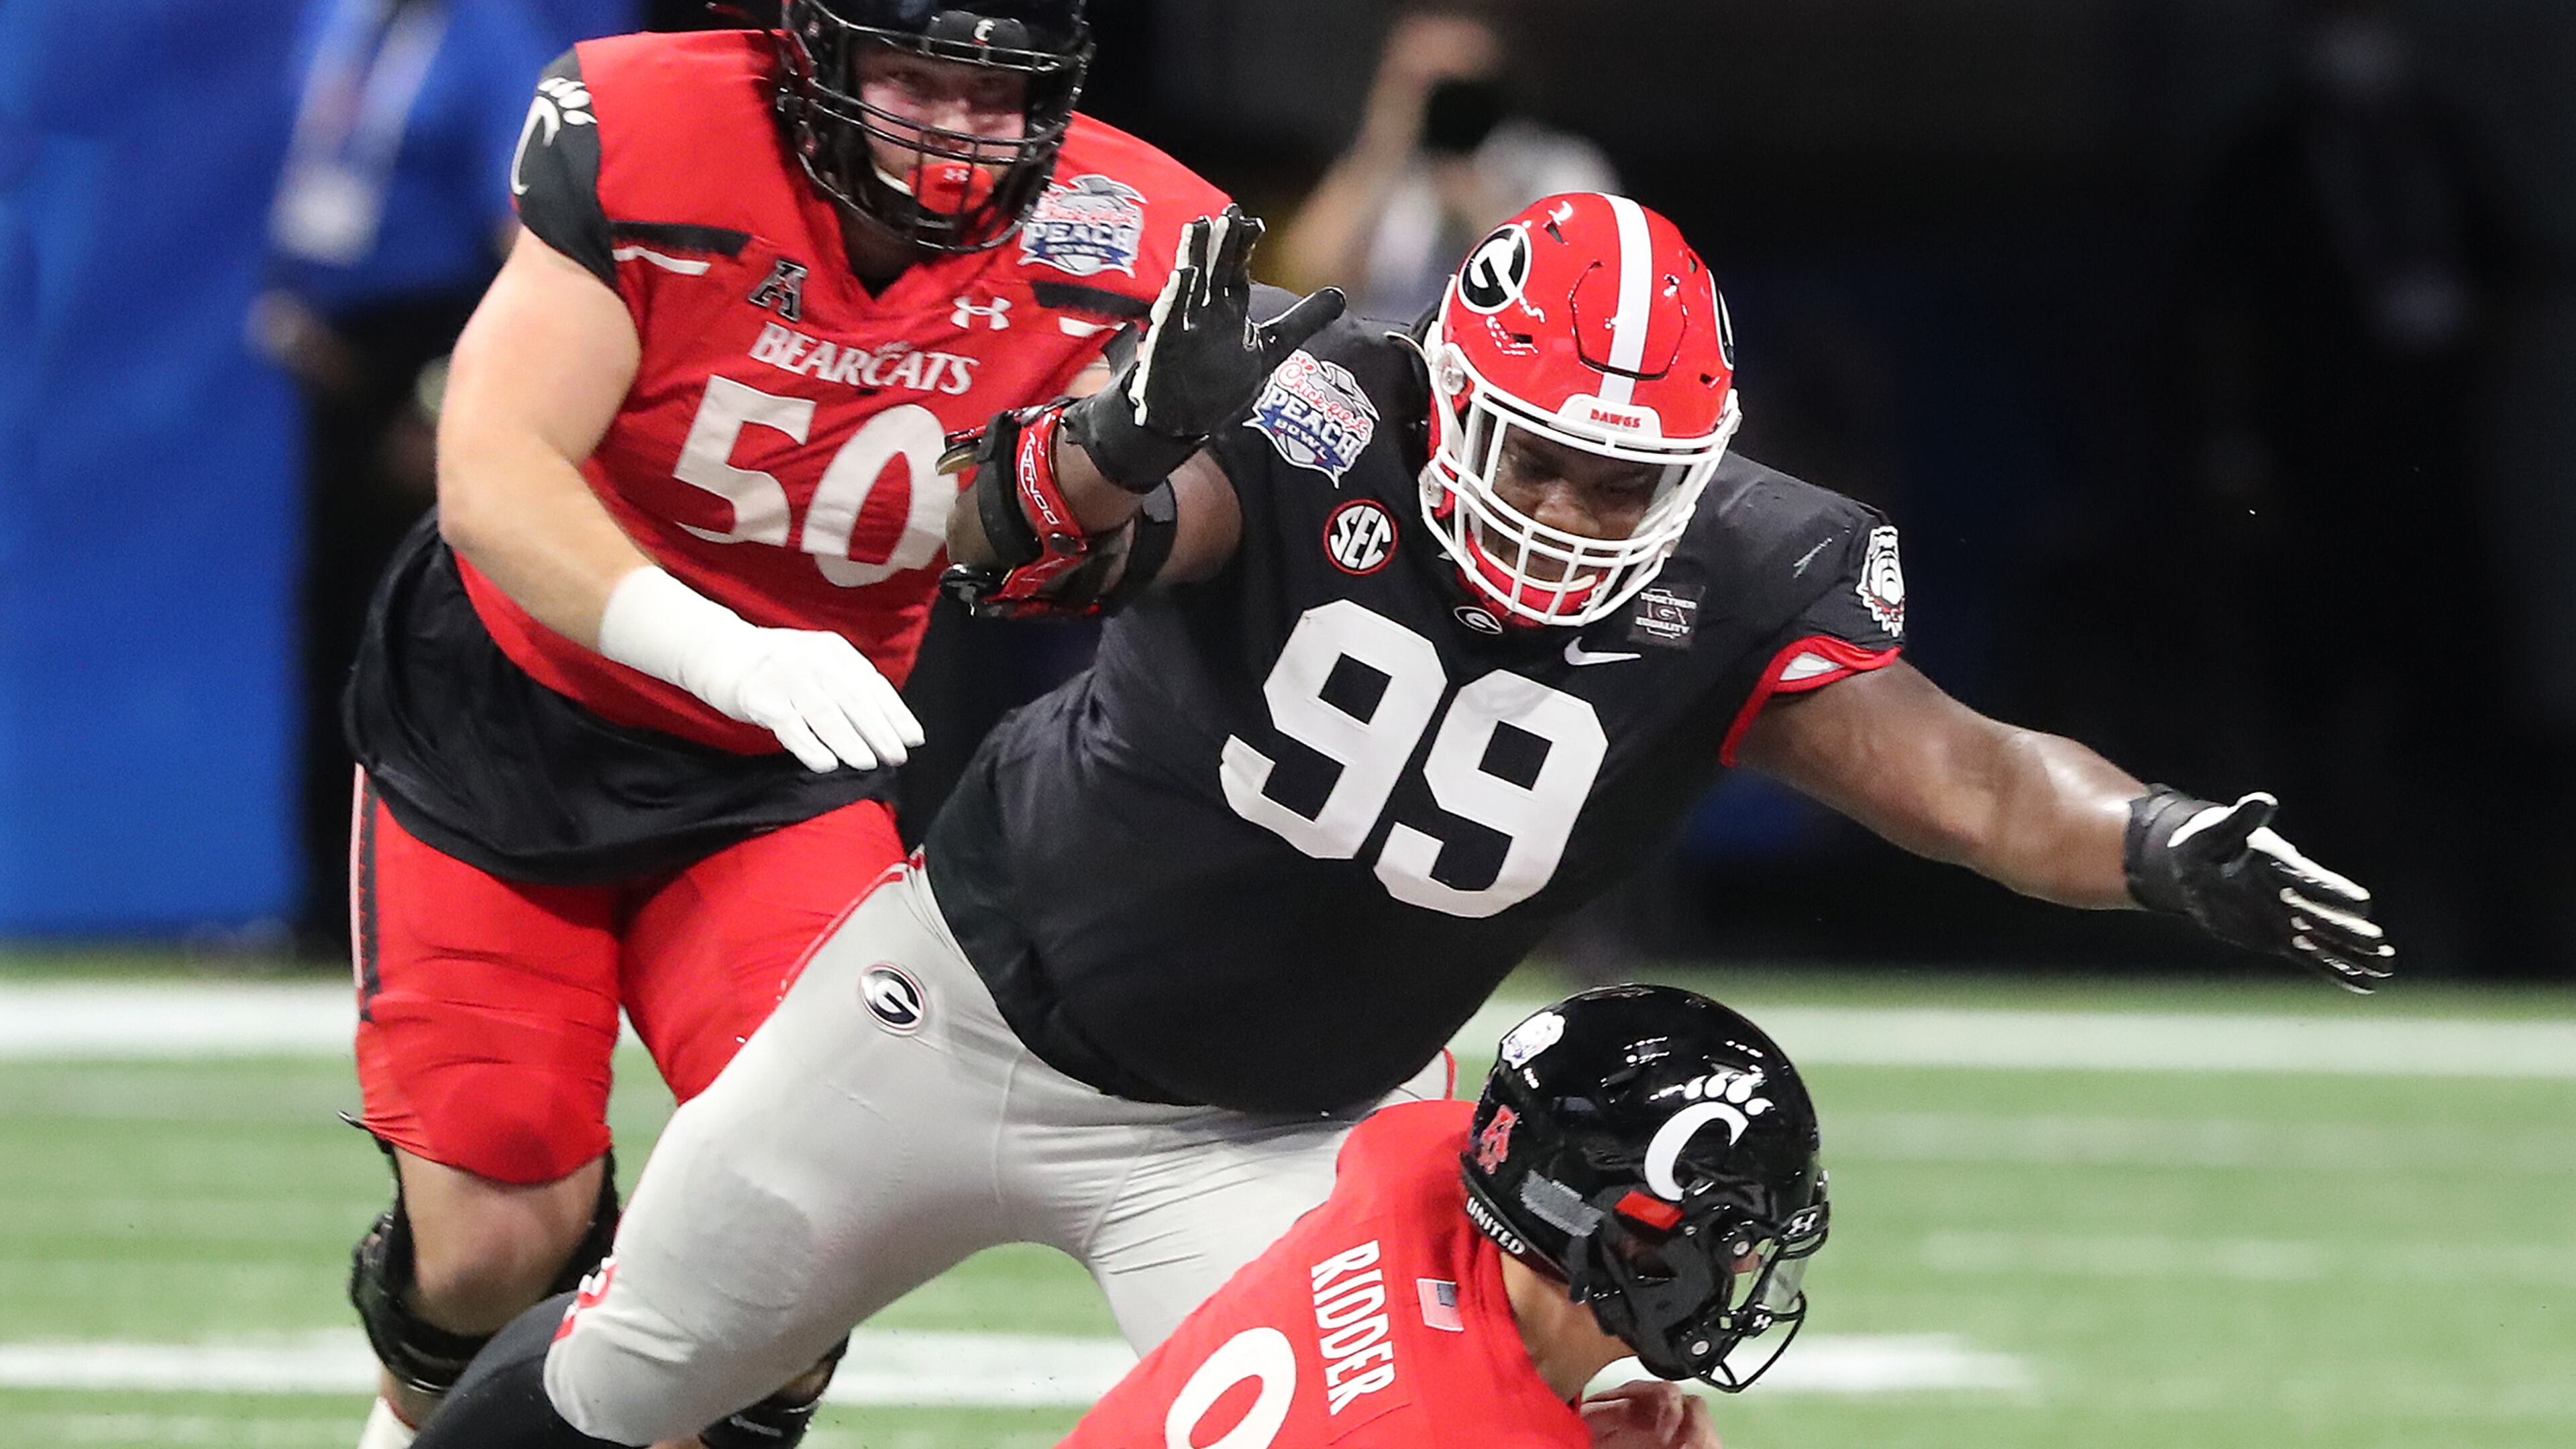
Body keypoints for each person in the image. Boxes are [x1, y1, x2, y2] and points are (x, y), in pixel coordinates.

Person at [407, 193, 2391, 1449]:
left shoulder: (1744, 578)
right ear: (1450, 396)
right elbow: (1021, 554)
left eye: (1630, 486)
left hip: (1283, 1139)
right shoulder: (1308, 410)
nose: (1576, 515)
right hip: (961, 1009)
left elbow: (1957, 776)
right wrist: (1112, 443)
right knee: (632, 1373)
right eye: (1541, 456)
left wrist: (2152, 842)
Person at [337, 2, 1228, 1444]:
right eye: (914, 76)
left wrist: (1122, 467)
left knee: (792, 1235)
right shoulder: (657, 131)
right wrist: (715, 648)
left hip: (779, 775)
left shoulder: (1133, 239)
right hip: (513, 713)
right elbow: (495, 466)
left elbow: (1081, 546)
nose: (952, 127)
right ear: (814, 53)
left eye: (994, 90)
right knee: (497, 1225)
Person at [1064, 984, 1827, 1449]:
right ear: (1619, 1242)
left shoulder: (1412, 1163)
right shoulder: (1458, 1431)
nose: (1748, 1270)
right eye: (1731, 1241)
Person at [1276, 4, 1616, 319]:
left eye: (1454, 88)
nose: (1438, 103)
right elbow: (1304, 278)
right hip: (1394, 368)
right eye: (1418, 83)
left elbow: (1577, 298)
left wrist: (1469, 190)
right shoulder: (1383, 173)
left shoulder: (1559, 168)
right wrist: (1378, 151)